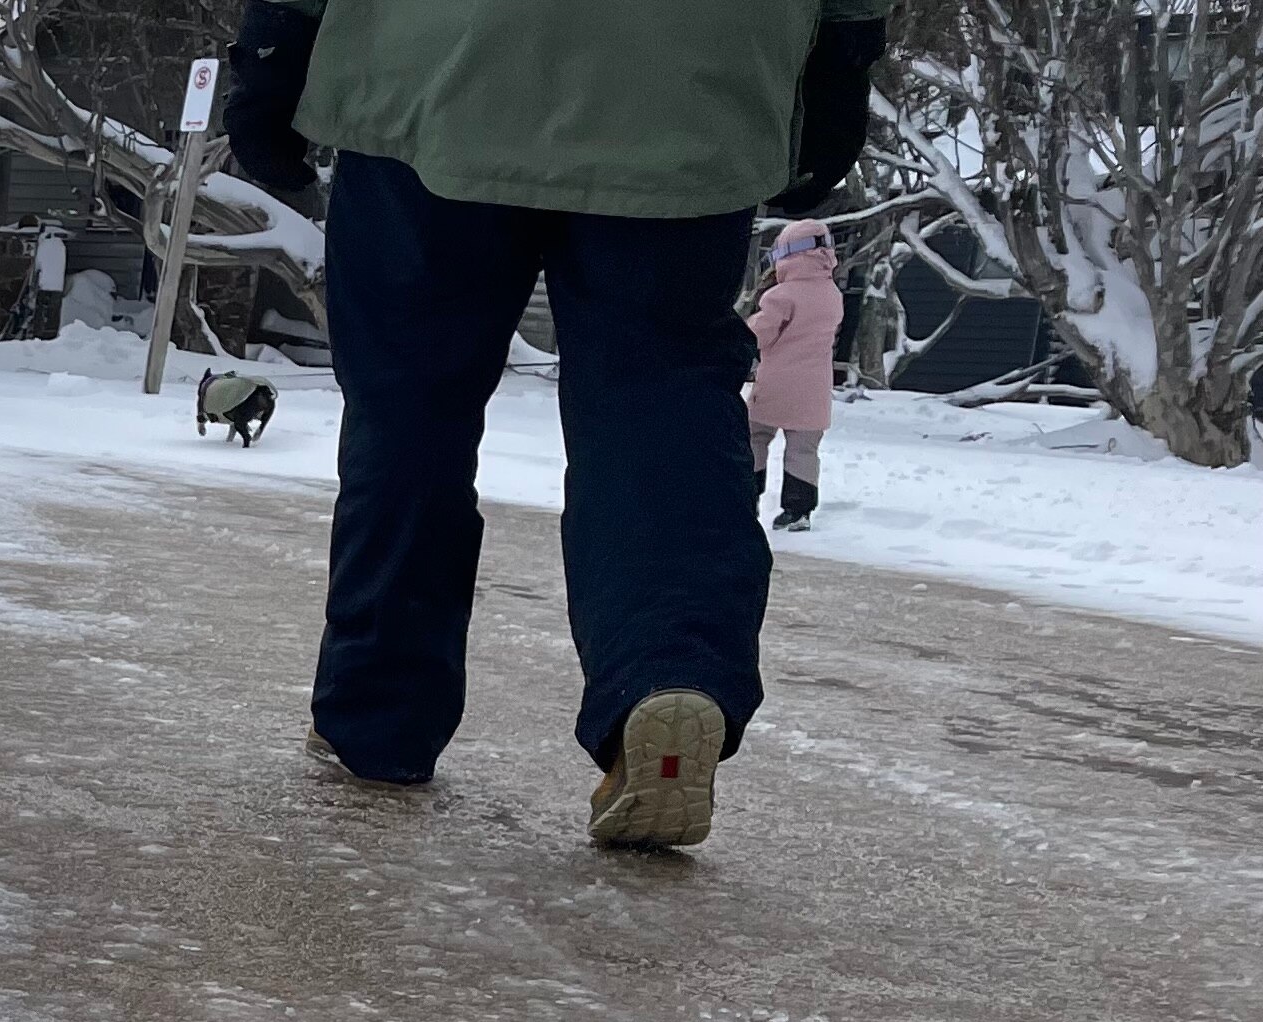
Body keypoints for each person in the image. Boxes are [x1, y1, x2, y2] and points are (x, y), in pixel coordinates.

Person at [223, 0, 888, 848]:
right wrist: (841, 54)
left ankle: (377, 718)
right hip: (691, 82)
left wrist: (276, 45)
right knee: (662, 398)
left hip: (432, 71)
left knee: (410, 406)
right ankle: (667, 675)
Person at [747, 218, 846, 531]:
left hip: (777, 382)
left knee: (755, 437)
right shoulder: (832, 295)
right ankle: (798, 510)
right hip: (815, 388)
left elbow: (760, 335)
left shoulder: (781, 296)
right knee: (804, 449)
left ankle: (747, 498)